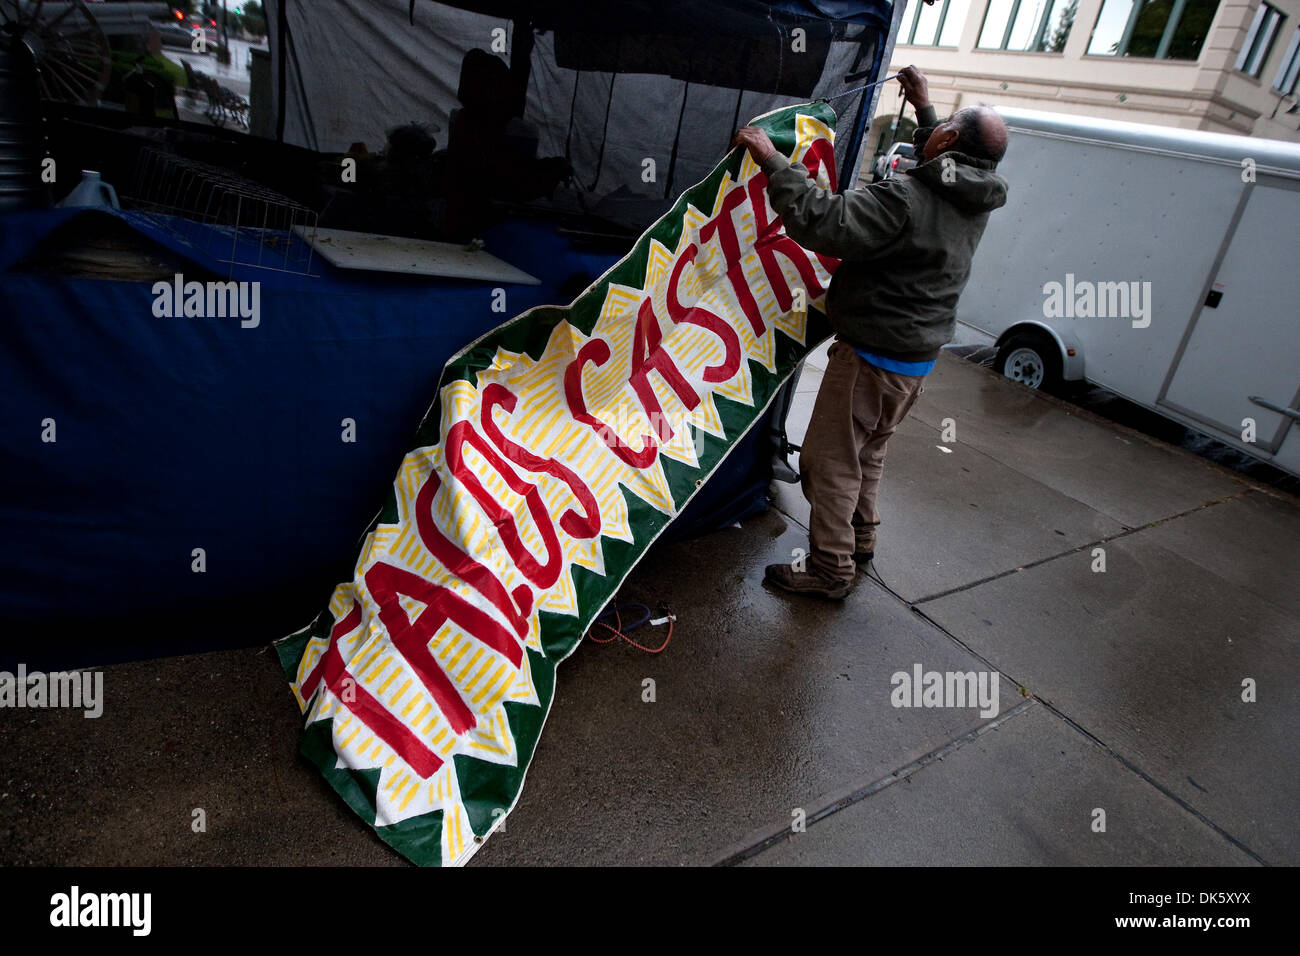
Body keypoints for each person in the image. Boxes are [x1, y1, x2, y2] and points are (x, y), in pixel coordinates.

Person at [732, 66, 1009, 600]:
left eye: (944, 123)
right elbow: (948, 160)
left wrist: (771, 158)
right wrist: (929, 108)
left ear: (949, 141)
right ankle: (860, 541)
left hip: (871, 358)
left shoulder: (907, 198)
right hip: (915, 359)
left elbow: (824, 221)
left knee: (828, 465)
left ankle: (830, 568)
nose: (937, 125)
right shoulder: (974, 194)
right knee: (869, 452)